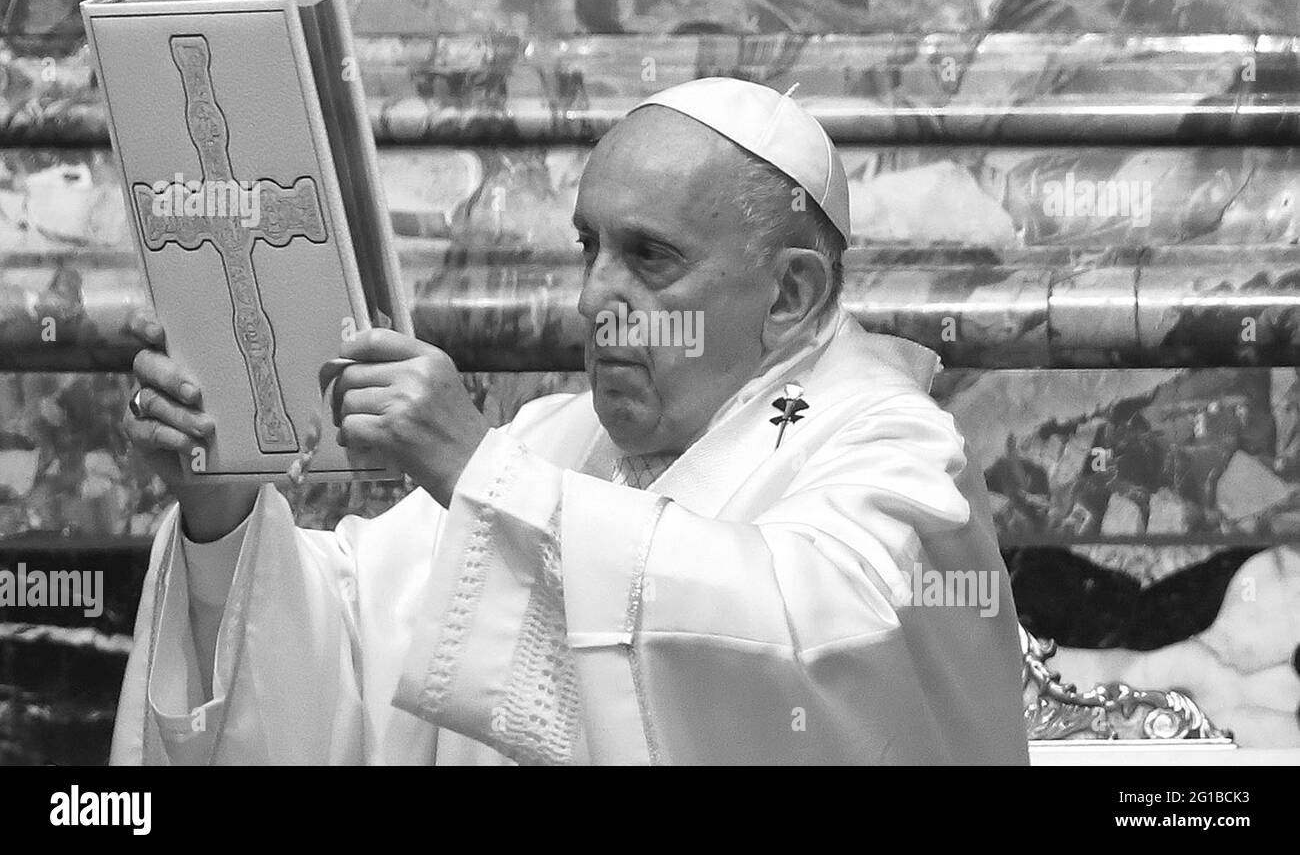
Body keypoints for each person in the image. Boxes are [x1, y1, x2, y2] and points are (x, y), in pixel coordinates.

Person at [110, 77, 1030, 765]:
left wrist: (479, 471)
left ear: (792, 292)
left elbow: (806, 655)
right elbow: (348, 643)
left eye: (650, 258)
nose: (596, 300)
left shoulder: (894, 453)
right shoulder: (556, 440)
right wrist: (221, 511)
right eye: (590, 247)